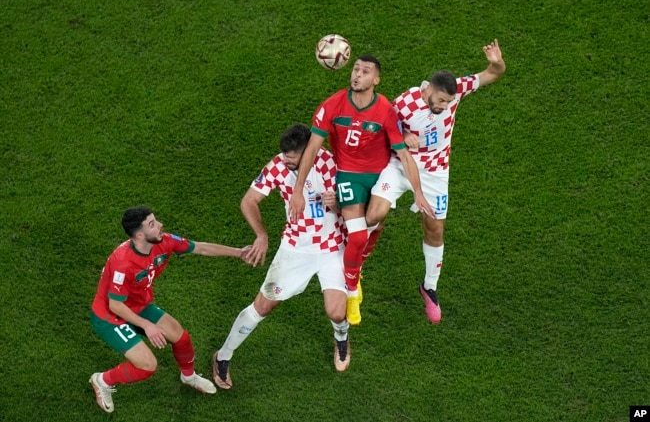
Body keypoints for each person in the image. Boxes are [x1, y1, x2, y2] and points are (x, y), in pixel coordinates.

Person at [364, 39, 506, 324]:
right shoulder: (404, 103)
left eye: (448, 102)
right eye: (440, 100)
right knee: (373, 215)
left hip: (435, 172)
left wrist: (496, 61)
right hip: (401, 163)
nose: (444, 106)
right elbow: (378, 130)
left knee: (435, 229)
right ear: (428, 88)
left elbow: (494, 74)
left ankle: (429, 287)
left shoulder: (456, 92)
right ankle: (354, 266)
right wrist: (402, 138)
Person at [288, 55, 434, 326]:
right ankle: (352, 291)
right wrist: (298, 190)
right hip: (348, 176)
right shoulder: (332, 105)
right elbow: (312, 149)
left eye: (365, 71)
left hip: (379, 178)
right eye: (355, 69)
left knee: (374, 222)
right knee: (356, 238)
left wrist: (418, 191)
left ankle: (358, 262)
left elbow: (403, 155)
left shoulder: (385, 110)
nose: (357, 75)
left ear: (376, 80)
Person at [212, 124, 351, 390]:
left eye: (292, 156)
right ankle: (223, 356)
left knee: (336, 312)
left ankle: (342, 337)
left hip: (332, 246)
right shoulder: (277, 166)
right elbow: (248, 201)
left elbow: (359, 203)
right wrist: (261, 235)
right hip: (295, 248)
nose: (285, 160)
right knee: (262, 307)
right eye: (284, 154)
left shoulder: (331, 163)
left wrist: (339, 203)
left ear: (309, 151)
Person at [88, 206, 252, 413]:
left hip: (138, 306)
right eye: (152, 224)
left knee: (181, 337)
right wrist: (147, 325)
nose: (160, 225)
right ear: (139, 235)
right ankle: (102, 380)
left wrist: (239, 253)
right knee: (147, 366)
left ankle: (189, 376)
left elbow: (199, 247)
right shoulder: (123, 262)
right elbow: (115, 305)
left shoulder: (164, 241)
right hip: (110, 316)